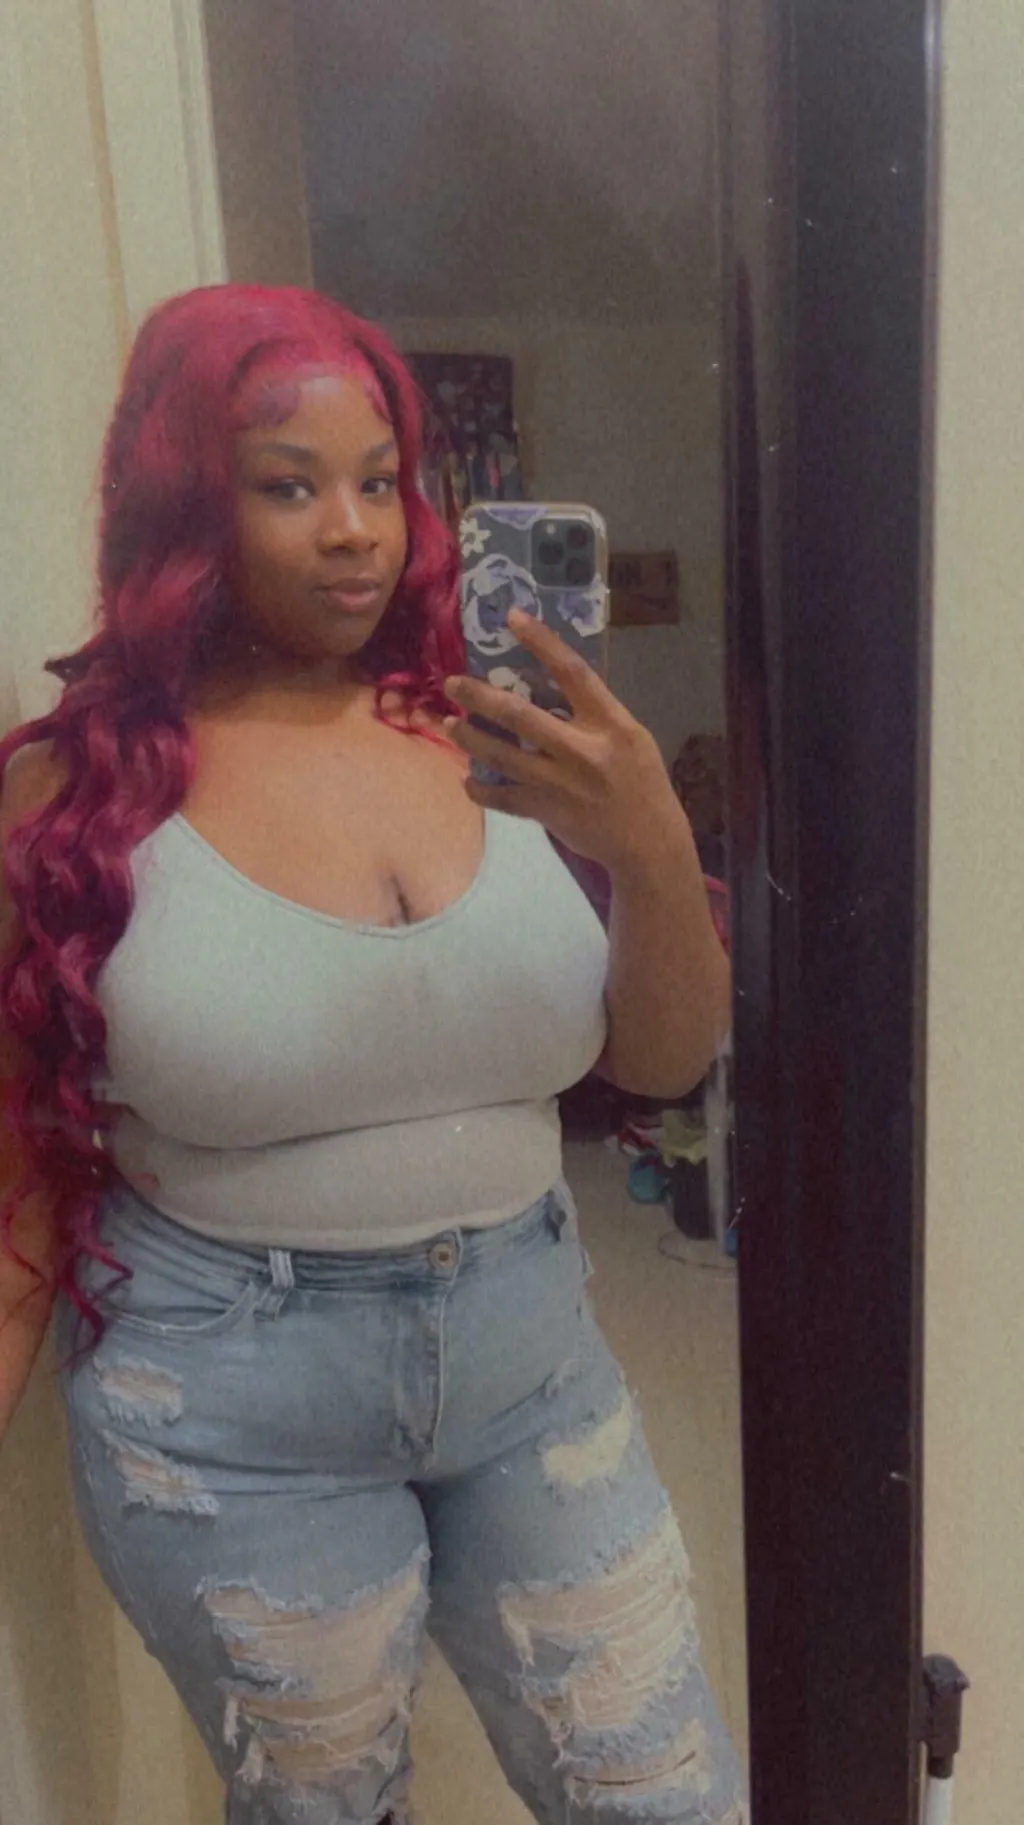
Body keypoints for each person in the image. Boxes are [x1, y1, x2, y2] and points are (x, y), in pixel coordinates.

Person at [0, 285, 744, 1825]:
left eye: (380, 482)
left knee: (667, 1795)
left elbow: (666, 1061)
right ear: (187, 503)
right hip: (228, 1405)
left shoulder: (487, 734)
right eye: (289, 487)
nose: (355, 533)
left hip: (532, 1361)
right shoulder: (78, 791)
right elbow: (14, 1173)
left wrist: (654, 847)